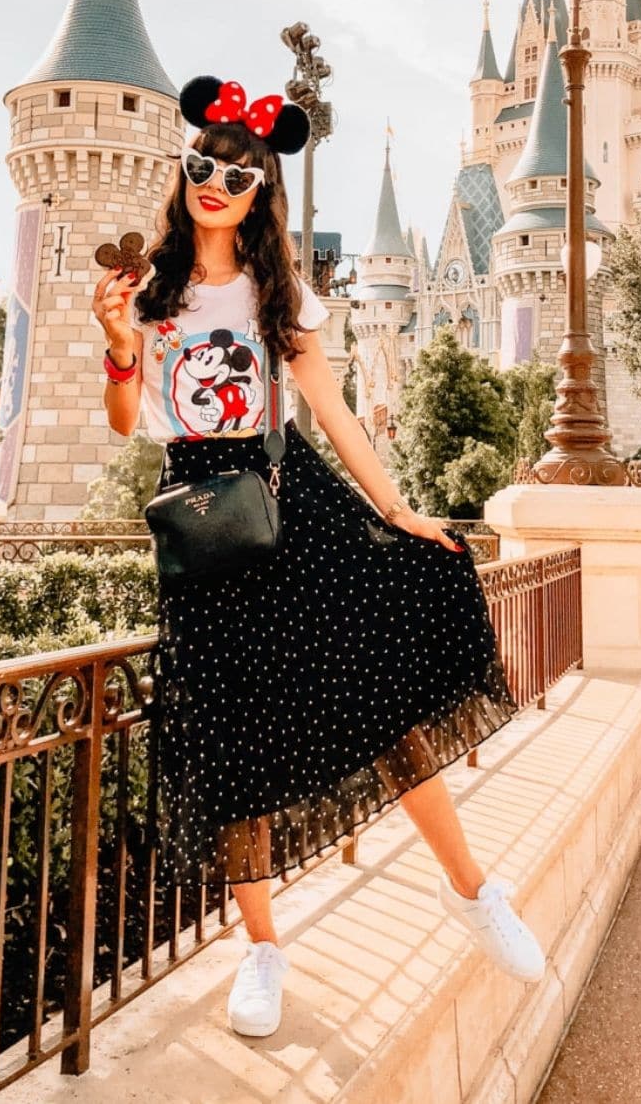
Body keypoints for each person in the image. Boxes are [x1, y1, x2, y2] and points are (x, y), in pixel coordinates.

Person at [92, 73, 545, 1041]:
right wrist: (118, 344)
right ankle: (263, 948)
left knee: (380, 691)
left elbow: (333, 411)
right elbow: (130, 419)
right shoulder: (153, 292)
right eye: (204, 163)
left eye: (240, 171)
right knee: (230, 738)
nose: (218, 181)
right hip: (202, 516)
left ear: (262, 192)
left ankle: (470, 888)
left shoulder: (274, 293)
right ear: (184, 172)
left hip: (290, 499)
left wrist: (399, 509)